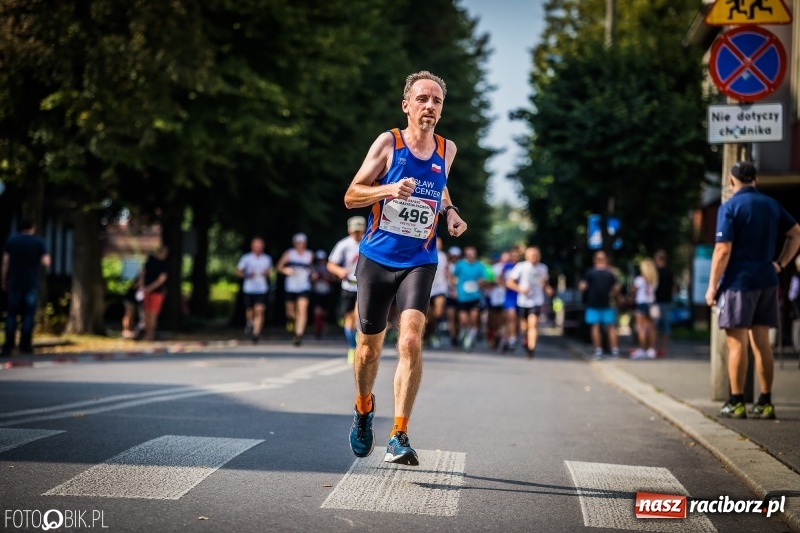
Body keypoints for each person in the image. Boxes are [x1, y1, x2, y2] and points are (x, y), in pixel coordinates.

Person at [343, 70, 467, 466]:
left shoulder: (447, 149)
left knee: (411, 340)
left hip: (420, 259)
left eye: (437, 101)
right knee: (368, 350)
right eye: (423, 99)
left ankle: (399, 433)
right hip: (377, 259)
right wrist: (387, 189)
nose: (430, 106)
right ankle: (364, 409)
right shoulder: (389, 143)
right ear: (407, 105)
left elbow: (440, 185)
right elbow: (351, 195)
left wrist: (450, 212)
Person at [706, 161, 800, 419]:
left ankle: (736, 402)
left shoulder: (731, 206)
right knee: (762, 344)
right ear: (755, 180)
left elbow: (723, 249)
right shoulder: (770, 204)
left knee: (737, 344)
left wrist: (712, 286)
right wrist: (780, 264)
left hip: (738, 283)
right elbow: (796, 232)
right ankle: (765, 401)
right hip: (767, 281)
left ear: (732, 180)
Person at [1, 218, 50, 356]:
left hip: (14, 281)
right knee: (28, 314)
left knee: (11, 315)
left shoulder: (12, 241)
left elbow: (5, 262)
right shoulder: (39, 241)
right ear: (33, 228)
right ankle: (25, 346)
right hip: (31, 282)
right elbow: (46, 261)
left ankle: (8, 346)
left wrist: (4, 279)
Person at [327, 216, 365, 363]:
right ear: (349, 230)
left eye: (359, 231)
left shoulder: (369, 243)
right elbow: (330, 264)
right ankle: (352, 348)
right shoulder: (343, 244)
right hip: (348, 286)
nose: (357, 234)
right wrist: (339, 271)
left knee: (358, 316)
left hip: (364, 286)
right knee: (349, 320)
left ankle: (359, 344)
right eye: (355, 231)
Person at [505, 246, 550, 359]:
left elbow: (544, 282)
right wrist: (520, 289)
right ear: (527, 256)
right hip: (523, 301)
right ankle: (526, 340)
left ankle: (531, 348)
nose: (533, 258)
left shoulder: (543, 268)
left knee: (533, 323)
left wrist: (547, 288)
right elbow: (509, 282)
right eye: (531, 255)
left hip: (537, 300)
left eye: (535, 256)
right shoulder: (521, 267)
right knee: (524, 327)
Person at [579, 251, 621, 360]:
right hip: (608, 304)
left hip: (593, 304)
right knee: (611, 327)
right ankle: (614, 351)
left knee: (595, 327)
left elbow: (583, 287)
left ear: (595, 260)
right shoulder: (610, 273)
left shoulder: (590, 273)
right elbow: (617, 288)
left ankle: (598, 351)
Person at [277, 233, 314, 346]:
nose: (300, 245)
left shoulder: (309, 254)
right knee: (291, 312)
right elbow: (279, 267)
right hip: (291, 286)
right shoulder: (289, 253)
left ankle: (299, 334)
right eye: (298, 243)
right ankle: (293, 322)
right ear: (294, 244)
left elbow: (310, 268)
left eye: (302, 243)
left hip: (304, 286)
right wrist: (286, 270)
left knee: (302, 309)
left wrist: (313, 274)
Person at [237, 237, 273, 344]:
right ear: (252, 246)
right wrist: (247, 274)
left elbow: (270, 273)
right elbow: (238, 272)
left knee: (260, 310)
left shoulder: (267, 259)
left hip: (261, 289)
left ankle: (256, 334)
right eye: (256, 245)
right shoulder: (246, 258)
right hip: (249, 288)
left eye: (260, 245)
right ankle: (250, 323)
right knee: (250, 311)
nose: (258, 247)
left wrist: (267, 274)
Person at [452, 246, 486, 352]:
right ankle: (464, 330)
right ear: (465, 255)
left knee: (474, 317)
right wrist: (454, 289)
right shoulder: (460, 265)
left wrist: (482, 282)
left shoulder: (480, 265)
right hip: (462, 296)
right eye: (469, 254)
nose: (471, 256)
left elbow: (484, 279)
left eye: (473, 254)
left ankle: (469, 339)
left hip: (475, 296)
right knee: (463, 320)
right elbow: (453, 276)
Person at [630, 258, 659, 360]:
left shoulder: (639, 279)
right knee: (651, 328)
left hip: (641, 304)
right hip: (651, 304)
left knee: (641, 328)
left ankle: (643, 349)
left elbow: (634, 291)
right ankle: (652, 349)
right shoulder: (654, 279)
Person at [424, 237, 449, 349]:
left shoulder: (444, 256)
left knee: (438, 312)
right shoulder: (425, 252)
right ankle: (428, 334)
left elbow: (447, 271)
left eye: (439, 242)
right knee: (428, 316)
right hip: (428, 287)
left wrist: (453, 285)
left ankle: (436, 333)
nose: (437, 244)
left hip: (440, 288)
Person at [140, 246, 169, 341]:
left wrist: (143, 287)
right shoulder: (163, 265)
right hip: (157, 292)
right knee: (153, 314)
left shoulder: (149, 262)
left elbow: (142, 274)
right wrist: (149, 288)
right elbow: (161, 280)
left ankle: (147, 335)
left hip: (146, 290)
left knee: (147, 313)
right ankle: (150, 335)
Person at [653, 250, 675, 356]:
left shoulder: (655, 272)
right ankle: (663, 349)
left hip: (656, 302)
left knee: (655, 326)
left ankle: (654, 348)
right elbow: (674, 287)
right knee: (665, 327)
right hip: (667, 302)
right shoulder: (669, 272)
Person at [312, 250, 333, 340]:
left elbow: (332, 279)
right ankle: (317, 330)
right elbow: (311, 280)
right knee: (317, 312)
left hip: (326, 292)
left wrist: (326, 277)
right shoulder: (314, 268)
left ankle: (322, 329)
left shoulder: (328, 268)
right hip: (317, 291)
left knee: (324, 313)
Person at [445, 246, 462, 346]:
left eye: (456, 256)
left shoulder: (462, 266)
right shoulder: (446, 266)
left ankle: (459, 332)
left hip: (461, 296)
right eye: (453, 256)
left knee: (459, 318)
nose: (454, 257)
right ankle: (453, 337)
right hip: (449, 295)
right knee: (451, 316)